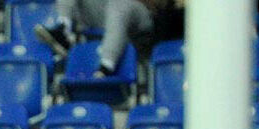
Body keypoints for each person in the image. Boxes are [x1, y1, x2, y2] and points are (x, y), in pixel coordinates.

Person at [35, 0, 171, 75]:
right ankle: (63, 29)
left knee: (120, 5)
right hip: (105, 11)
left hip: (139, 13)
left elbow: (163, 4)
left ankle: (106, 65)